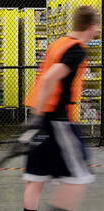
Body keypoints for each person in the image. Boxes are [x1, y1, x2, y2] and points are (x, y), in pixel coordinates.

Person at [23, 6, 99, 211]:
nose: (97, 32)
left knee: (36, 177)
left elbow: (42, 78)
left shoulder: (59, 44)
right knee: (80, 175)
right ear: (91, 27)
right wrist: (39, 118)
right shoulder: (76, 50)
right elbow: (49, 78)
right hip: (58, 120)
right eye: (97, 27)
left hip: (41, 117)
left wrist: (35, 118)